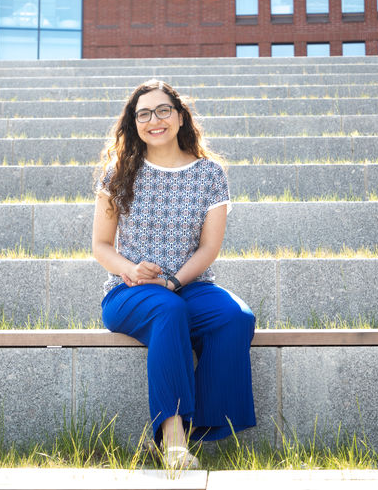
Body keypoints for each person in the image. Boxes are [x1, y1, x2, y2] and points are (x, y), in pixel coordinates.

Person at [91, 79, 256, 470]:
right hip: (128, 291)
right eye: (143, 114)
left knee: (236, 317)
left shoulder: (210, 174)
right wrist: (131, 269)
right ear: (134, 124)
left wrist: (174, 281)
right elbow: (100, 245)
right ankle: (173, 439)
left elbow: (208, 249)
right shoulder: (118, 173)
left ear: (180, 117)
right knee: (167, 310)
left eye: (163, 110)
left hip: (188, 286)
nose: (154, 120)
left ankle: (205, 427)